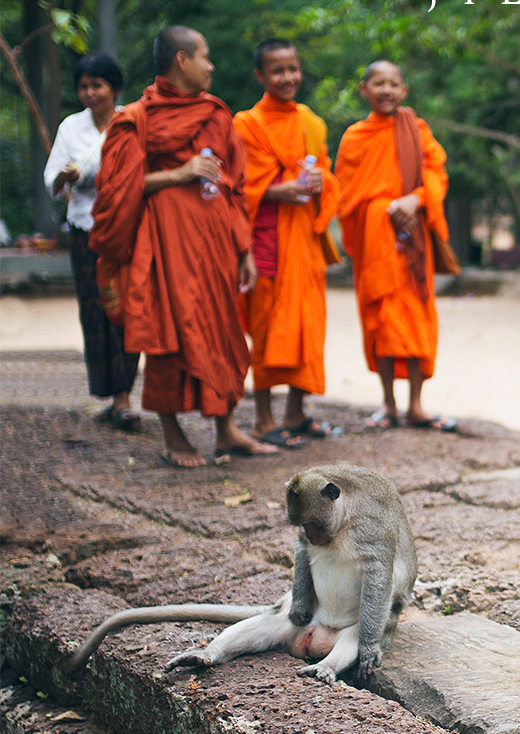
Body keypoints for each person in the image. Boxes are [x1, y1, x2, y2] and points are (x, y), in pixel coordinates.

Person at [90, 26, 277, 467]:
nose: (211, 66)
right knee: (171, 335)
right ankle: (174, 434)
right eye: (205, 56)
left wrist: (244, 248)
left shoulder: (215, 113)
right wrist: (177, 174)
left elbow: (235, 186)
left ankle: (226, 430)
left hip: (214, 246)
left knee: (224, 332)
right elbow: (114, 189)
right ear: (181, 60)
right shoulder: (135, 118)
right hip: (165, 247)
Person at [335, 59, 456, 430]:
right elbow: (343, 195)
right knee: (380, 320)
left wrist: (415, 200)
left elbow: (437, 175)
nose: (386, 90)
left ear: (404, 90)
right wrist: (380, 208)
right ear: (364, 89)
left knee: (417, 320)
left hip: (413, 237)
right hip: (376, 241)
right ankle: (388, 404)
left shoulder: (416, 130)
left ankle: (416, 405)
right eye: (378, 83)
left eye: (393, 84)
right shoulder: (355, 137)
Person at [233, 38, 341, 449]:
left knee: (307, 327)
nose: (287, 77)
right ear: (260, 76)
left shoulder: (311, 123)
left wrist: (319, 183)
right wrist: (281, 189)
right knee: (265, 328)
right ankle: (263, 419)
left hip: (303, 239)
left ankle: (296, 412)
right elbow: (240, 187)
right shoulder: (246, 124)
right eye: (277, 71)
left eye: (293, 68)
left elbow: (327, 175)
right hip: (266, 239)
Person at [44, 52, 140, 430]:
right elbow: (52, 175)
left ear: (114, 88)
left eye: (97, 85)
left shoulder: (130, 123)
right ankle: (109, 393)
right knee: (94, 309)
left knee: (126, 309)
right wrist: (66, 178)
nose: (89, 93)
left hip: (126, 230)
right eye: (83, 86)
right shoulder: (71, 127)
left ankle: (125, 397)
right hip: (85, 229)